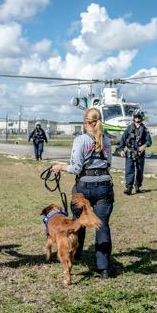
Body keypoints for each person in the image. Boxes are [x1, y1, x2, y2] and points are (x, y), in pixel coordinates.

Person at [51, 107, 114, 279]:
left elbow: (76, 167)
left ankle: (77, 253)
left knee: (79, 221)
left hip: (84, 187)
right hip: (104, 187)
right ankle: (104, 268)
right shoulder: (107, 140)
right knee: (102, 225)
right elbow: (108, 163)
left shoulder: (81, 140)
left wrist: (60, 167)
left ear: (86, 122)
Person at [118, 111, 152, 195]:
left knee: (140, 171)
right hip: (129, 152)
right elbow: (122, 140)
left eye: (139, 117)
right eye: (136, 116)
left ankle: (137, 187)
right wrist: (121, 149)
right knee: (129, 170)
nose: (137, 118)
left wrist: (143, 146)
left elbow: (149, 141)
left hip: (140, 153)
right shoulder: (129, 128)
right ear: (133, 117)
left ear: (142, 118)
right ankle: (129, 188)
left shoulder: (144, 129)